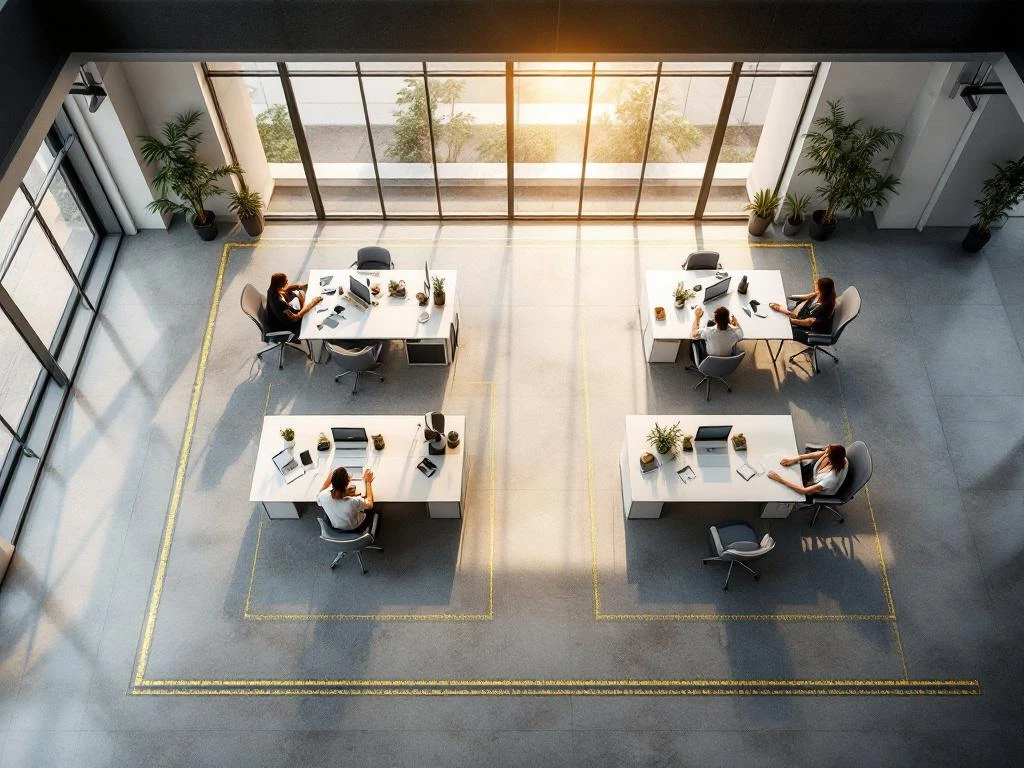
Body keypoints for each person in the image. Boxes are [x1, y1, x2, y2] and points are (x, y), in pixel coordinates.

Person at [769, 276, 837, 343]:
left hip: (809, 329)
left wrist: (790, 321)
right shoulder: (819, 294)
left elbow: (808, 323)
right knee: (778, 313)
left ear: (822, 290)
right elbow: (806, 297)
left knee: (781, 326)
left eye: (817, 285)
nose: (814, 286)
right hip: (802, 315)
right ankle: (784, 312)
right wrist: (791, 297)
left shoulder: (824, 307)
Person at [767, 443, 848, 496]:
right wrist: (796, 458)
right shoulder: (831, 456)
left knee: (780, 490)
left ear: (832, 459)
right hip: (813, 475)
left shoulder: (831, 478)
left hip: (813, 488)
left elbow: (803, 491)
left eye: (827, 453)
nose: (825, 453)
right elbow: (816, 454)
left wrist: (779, 479)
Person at [317, 466, 375, 531]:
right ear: (347, 483)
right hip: (355, 527)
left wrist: (329, 479)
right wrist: (368, 482)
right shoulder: (352, 502)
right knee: (369, 509)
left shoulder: (322, 496)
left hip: (336, 526)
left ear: (332, 482)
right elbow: (370, 504)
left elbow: (320, 493)